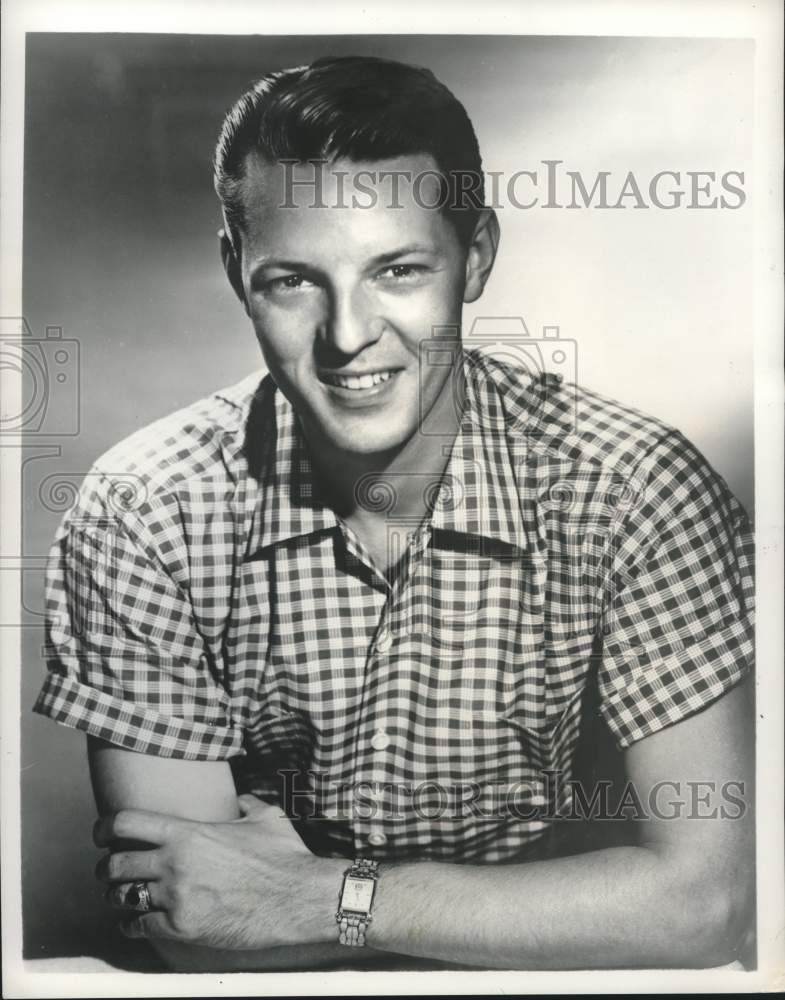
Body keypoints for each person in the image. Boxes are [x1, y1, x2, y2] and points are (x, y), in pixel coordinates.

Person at [34, 55, 755, 972]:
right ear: (234, 271)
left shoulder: (635, 486)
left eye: (399, 270)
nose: (347, 335)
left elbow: (704, 906)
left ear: (477, 258)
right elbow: (197, 930)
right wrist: (562, 910)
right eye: (293, 281)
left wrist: (319, 898)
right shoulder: (144, 508)